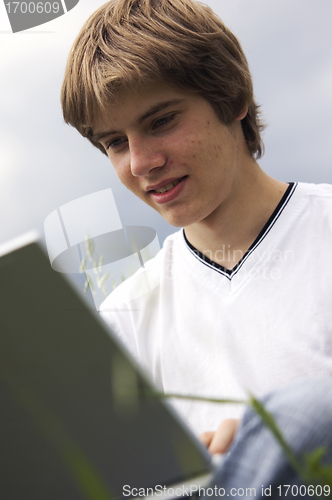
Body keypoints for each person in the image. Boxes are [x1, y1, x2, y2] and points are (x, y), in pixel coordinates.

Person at [60, 0, 332, 488]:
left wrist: (262, 444)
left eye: (161, 121)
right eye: (115, 143)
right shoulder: (126, 318)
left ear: (233, 100)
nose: (141, 163)